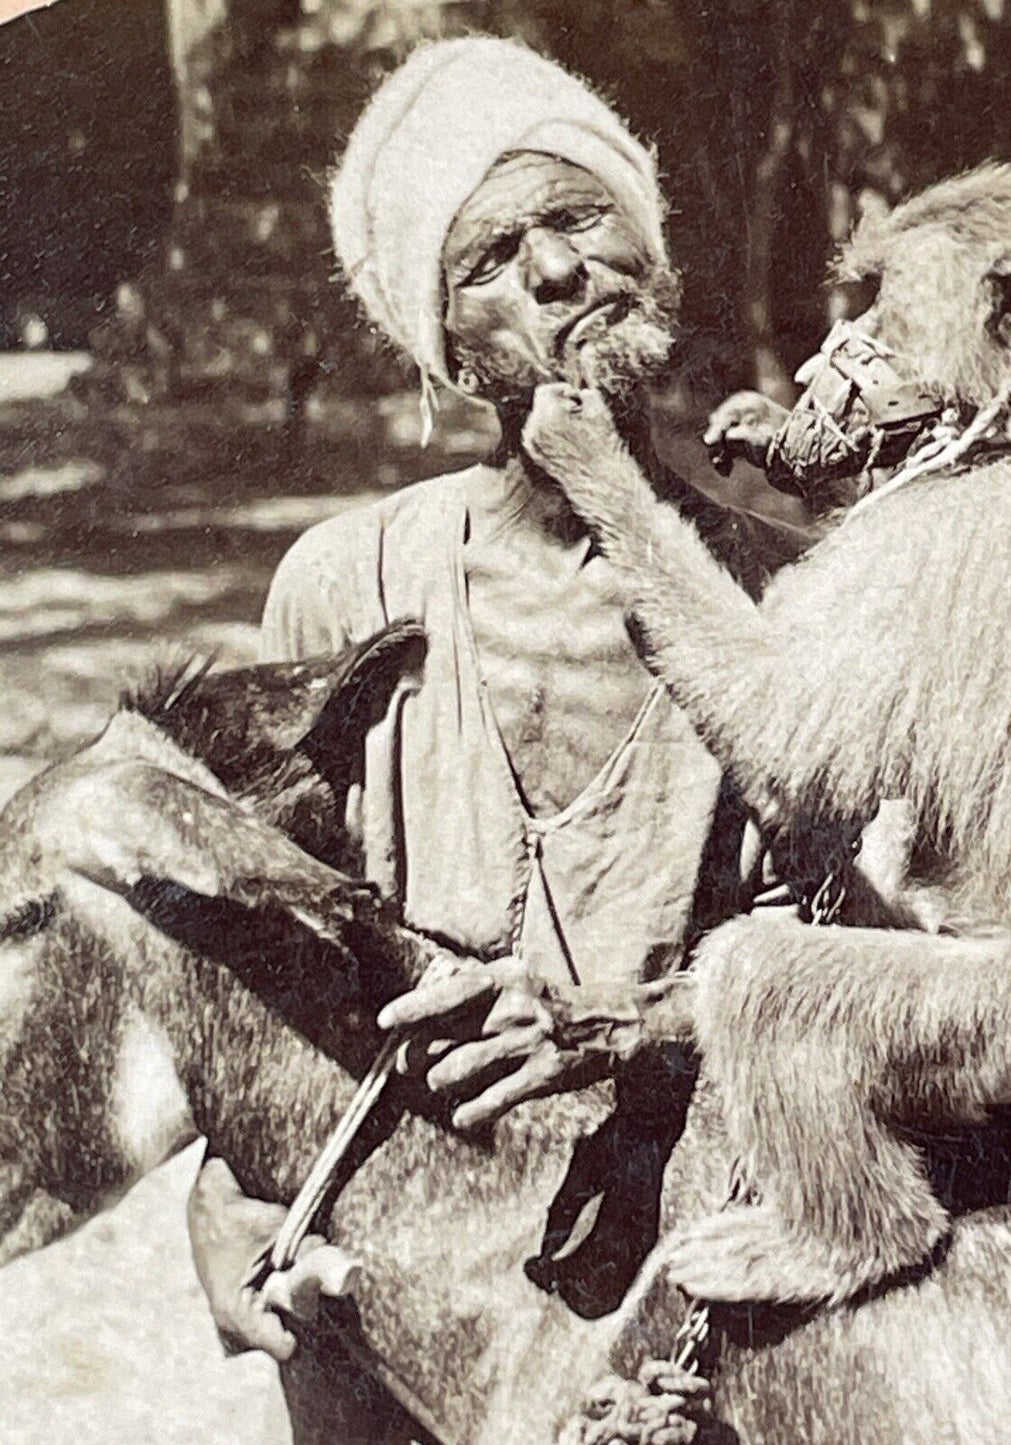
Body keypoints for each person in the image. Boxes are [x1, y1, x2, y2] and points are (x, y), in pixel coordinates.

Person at [184, 36, 796, 1440]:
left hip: (683, 1291)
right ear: (447, 352)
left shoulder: (791, 600)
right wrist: (221, 1207)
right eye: (492, 256)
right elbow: (258, 958)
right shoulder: (346, 585)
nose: (558, 270)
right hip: (386, 1297)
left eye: (581, 217)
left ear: (651, 243)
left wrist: (622, 1034)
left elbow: (836, 969)